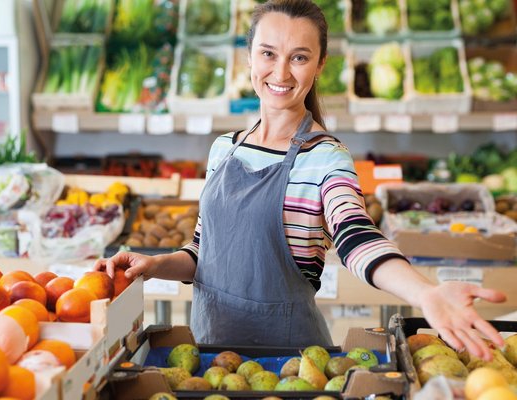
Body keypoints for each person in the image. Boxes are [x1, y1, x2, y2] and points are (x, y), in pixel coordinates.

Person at [95, 0, 505, 359]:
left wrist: (424, 292)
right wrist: (154, 265)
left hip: (291, 365)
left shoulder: (326, 159)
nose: (281, 72)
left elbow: (356, 235)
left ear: (321, 64)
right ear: (249, 58)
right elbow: (205, 251)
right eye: (268, 53)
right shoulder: (224, 148)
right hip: (207, 355)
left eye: (299, 57)